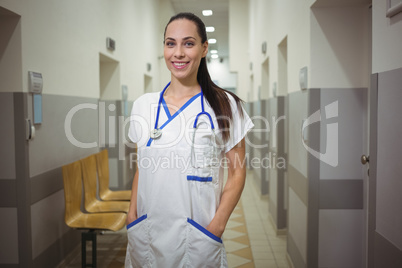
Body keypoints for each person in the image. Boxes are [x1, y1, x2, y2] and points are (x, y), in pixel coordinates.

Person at [125, 12, 254, 268]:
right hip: (147, 233)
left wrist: (216, 226)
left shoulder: (225, 105)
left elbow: (237, 173)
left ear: (204, 48)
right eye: (170, 43)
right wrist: (132, 214)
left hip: (198, 236)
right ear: (163, 48)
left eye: (189, 43)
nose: (178, 53)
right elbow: (143, 166)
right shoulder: (143, 105)